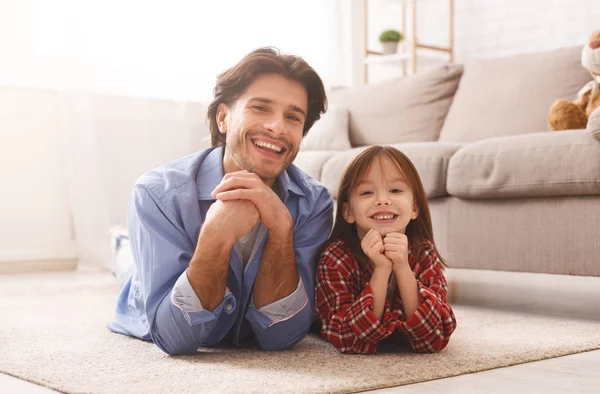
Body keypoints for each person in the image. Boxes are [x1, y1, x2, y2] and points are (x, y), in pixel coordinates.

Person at [108, 47, 334, 355]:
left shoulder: (314, 203)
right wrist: (215, 236)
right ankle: (122, 243)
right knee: (130, 269)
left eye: (293, 117)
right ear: (224, 117)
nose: (278, 127)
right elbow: (175, 339)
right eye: (261, 108)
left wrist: (281, 229)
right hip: (146, 276)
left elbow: (282, 337)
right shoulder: (156, 194)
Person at [315, 145, 456, 354]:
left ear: (415, 208)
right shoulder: (336, 257)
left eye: (396, 190)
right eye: (367, 192)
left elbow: (433, 338)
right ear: (348, 212)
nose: (382, 199)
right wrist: (381, 270)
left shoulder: (424, 252)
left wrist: (402, 268)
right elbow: (348, 341)